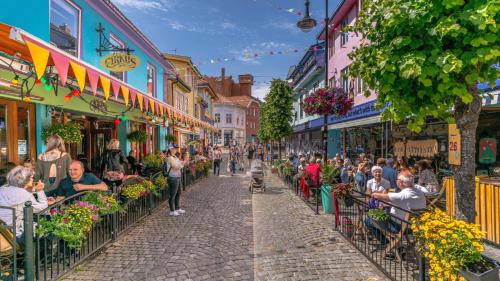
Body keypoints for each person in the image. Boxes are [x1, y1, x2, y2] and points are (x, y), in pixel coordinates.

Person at [366, 171, 426, 244]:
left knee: (368, 221)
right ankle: (391, 243)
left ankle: (388, 243)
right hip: (415, 226)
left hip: (398, 226)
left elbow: (375, 195)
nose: (396, 181)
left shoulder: (401, 196)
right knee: (384, 213)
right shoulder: (420, 192)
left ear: (400, 182)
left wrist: (373, 193)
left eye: (397, 179)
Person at [0, 166, 48, 242]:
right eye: (32, 178)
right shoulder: (25, 195)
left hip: (4, 232)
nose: (33, 180)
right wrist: (40, 191)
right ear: (25, 179)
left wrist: (33, 190)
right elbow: (43, 209)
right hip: (17, 235)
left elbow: (16, 195)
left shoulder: (3, 188)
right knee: (47, 228)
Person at [165, 144, 187, 216]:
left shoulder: (175, 157)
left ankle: (177, 208)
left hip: (177, 177)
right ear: (171, 149)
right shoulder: (169, 158)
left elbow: (179, 163)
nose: (176, 150)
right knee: (173, 194)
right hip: (173, 178)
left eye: (176, 148)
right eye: (175, 148)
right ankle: (172, 210)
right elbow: (176, 167)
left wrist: (182, 162)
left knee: (178, 193)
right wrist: (183, 163)